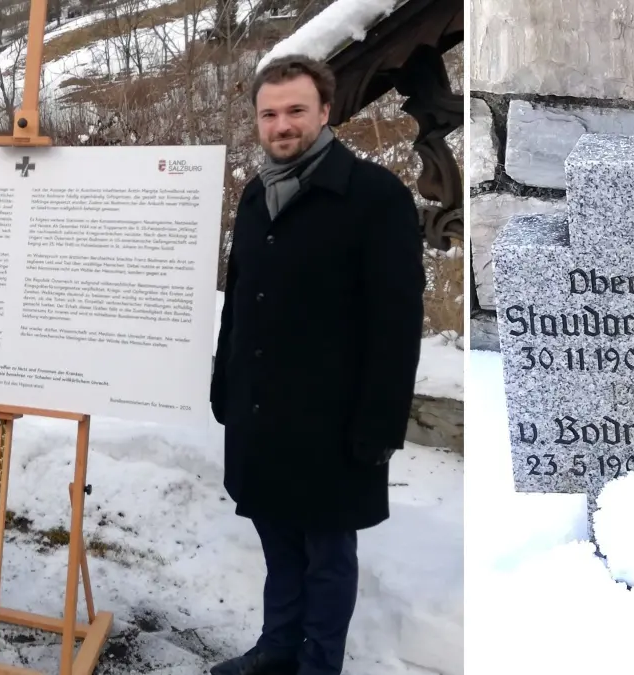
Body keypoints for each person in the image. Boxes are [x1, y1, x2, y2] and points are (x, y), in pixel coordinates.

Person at [209, 55, 426, 675]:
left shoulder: (375, 197)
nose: (282, 125)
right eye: (270, 113)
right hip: (261, 410)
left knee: (327, 555)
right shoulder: (255, 196)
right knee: (278, 543)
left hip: (333, 419)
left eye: (296, 111)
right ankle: (277, 648)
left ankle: (318, 663)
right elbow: (240, 301)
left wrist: (380, 426)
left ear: (325, 111)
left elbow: (397, 324)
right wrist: (225, 384)